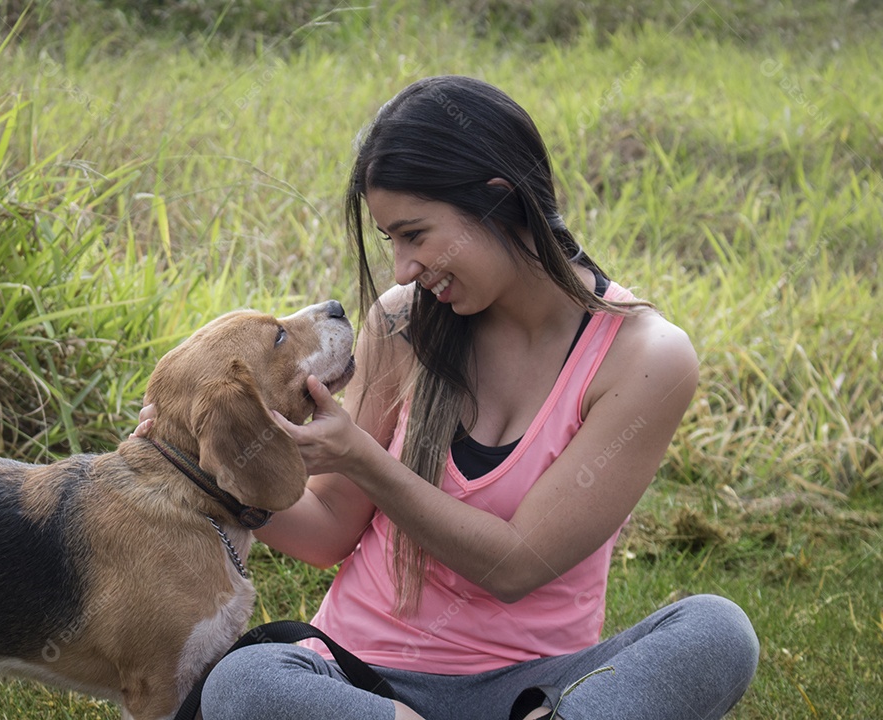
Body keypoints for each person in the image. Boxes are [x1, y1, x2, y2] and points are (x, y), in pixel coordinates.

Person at [134, 75, 758, 719]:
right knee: (249, 679)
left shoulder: (645, 357)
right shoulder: (404, 321)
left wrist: (360, 457)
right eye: (391, 242)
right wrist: (204, 468)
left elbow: (516, 566)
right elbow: (329, 535)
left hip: (533, 690)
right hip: (361, 683)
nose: (403, 268)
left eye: (415, 234)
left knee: (716, 630)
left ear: (498, 199)